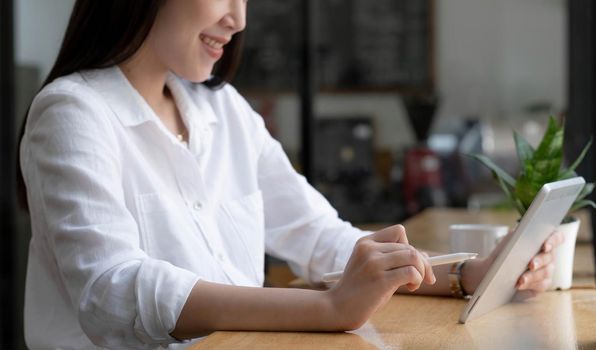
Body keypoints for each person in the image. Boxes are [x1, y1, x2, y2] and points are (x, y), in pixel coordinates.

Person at [17, 0, 563, 349]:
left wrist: (469, 275)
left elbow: (323, 239)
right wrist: (326, 309)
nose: (239, 18)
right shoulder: (73, 113)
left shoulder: (222, 110)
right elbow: (111, 290)